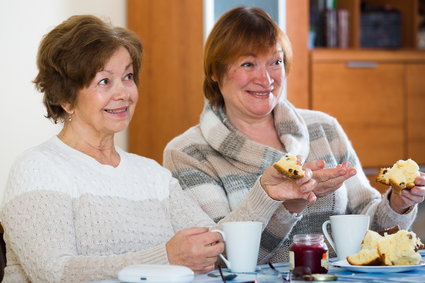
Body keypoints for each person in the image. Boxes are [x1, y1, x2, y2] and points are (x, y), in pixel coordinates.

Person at [0, 15, 287, 283]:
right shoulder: (39, 168)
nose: (124, 93)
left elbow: (214, 242)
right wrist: (165, 258)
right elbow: (54, 272)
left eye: (128, 76)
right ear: (65, 97)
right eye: (104, 81)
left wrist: (267, 193)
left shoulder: (150, 174)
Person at [163, 6, 425, 263]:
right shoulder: (187, 153)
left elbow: (370, 228)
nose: (266, 79)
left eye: (275, 62)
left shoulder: (324, 128)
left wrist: (397, 203)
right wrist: (288, 204)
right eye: (248, 63)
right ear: (214, 72)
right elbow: (218, 255)